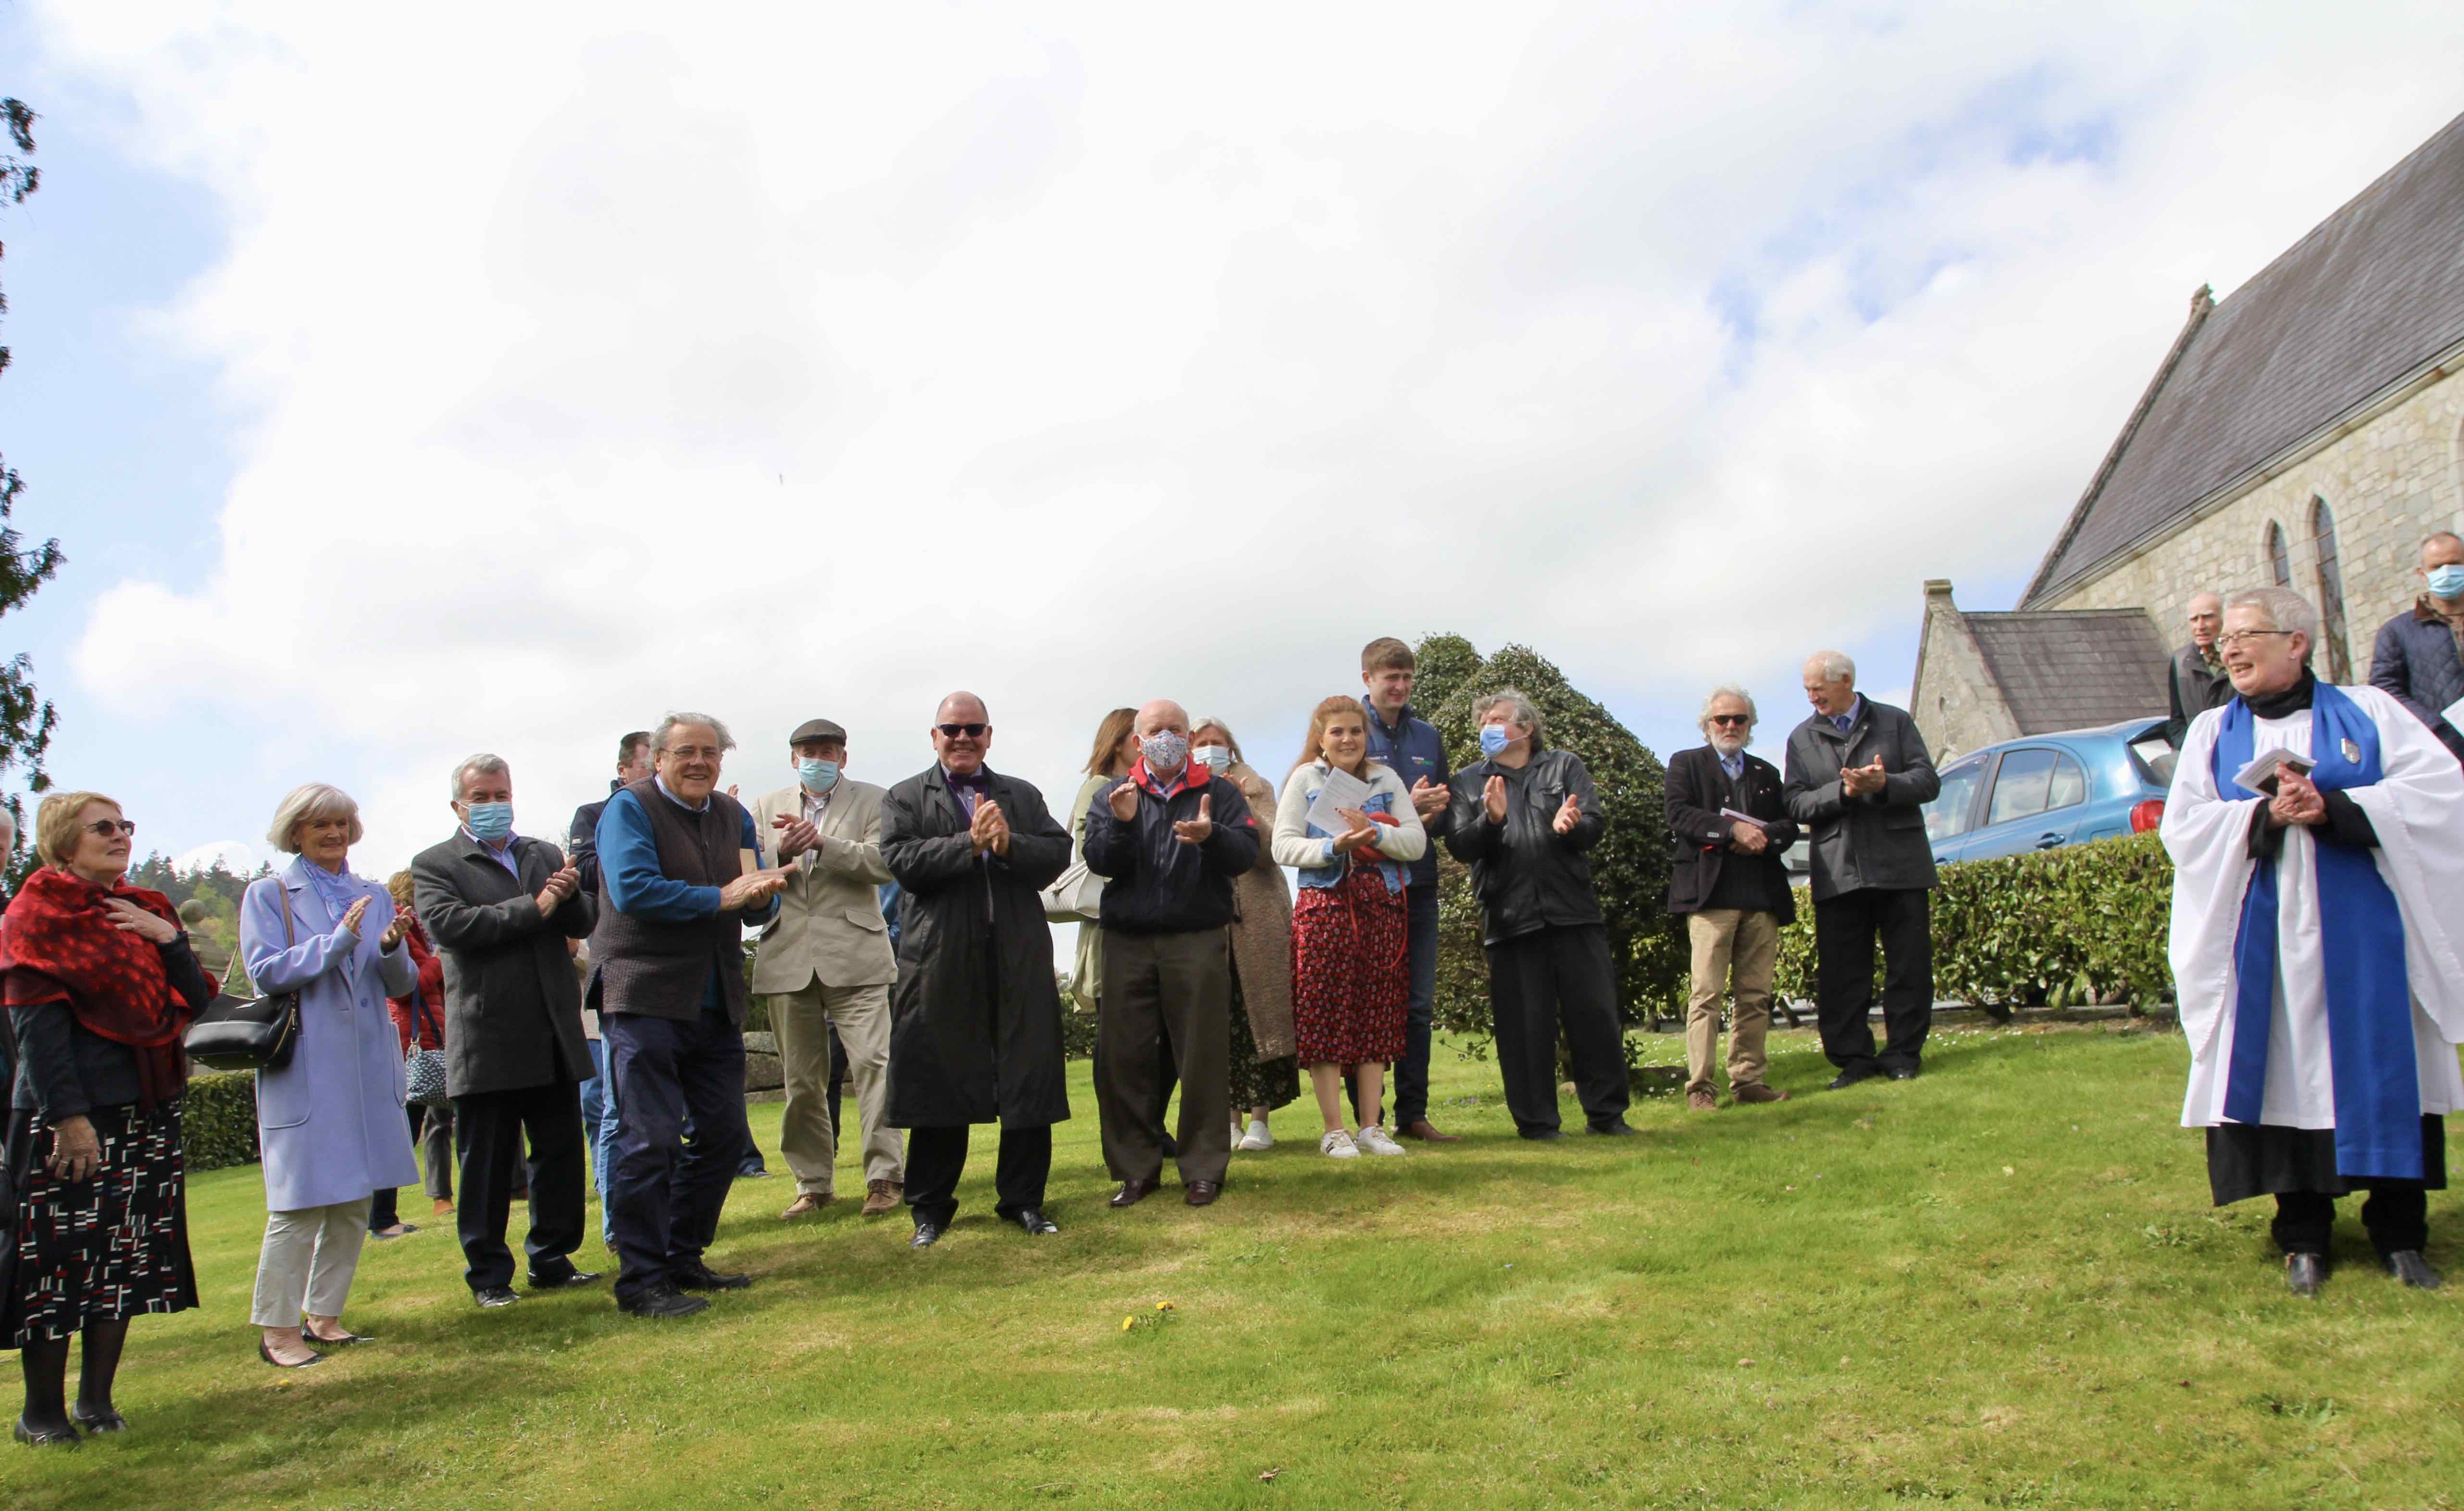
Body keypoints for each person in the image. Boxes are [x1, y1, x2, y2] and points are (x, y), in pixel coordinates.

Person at [2163, 586, 2464, 1296]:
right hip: (2265, 933)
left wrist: (2337, 807)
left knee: (2386, 1062)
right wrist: (2261, 816)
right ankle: (2302, 1236)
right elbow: (2185, 828)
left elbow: (2439, 793)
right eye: (2223, 642)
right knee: (2281, 1074)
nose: (2228, 650)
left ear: (2295, 642)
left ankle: (2401, 1235)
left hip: (2367, 935)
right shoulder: (2210, 733)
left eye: (2246, 636)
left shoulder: (2372, 712)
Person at [3, 793, 210, 1445]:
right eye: (103, 828)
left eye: (126, 827)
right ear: (65, 842)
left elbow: (198, 998)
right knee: (57, 1263)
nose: (120, 836)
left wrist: (170, 939)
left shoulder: (145, 909)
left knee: (122, 1258)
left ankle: (97, 1403)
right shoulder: (34, 914)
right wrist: (69, 1118)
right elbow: (37, 1028)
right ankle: (41, 1414)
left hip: (143, 1108)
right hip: (67, 1117)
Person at [593, 713, 789, 1318]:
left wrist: (764, 895)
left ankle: (682, 1255)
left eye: (710, 752)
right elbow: (632, 889)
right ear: (658, 759)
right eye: (685, 752)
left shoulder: (735, 817)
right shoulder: (629, 810)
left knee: (725, 1135)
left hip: (715, 998)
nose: (699, 762)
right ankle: (641, 1282)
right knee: (648, 1141)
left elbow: (755, 894)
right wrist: (721, 898)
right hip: (644, 996)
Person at [879, 692, 1074, 1246]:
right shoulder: (905, 797)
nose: (962, 738)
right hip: (939, 959)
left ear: (989, 735)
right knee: (940, 1076)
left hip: (1016, 955)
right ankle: (930, 1208)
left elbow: (1057, 853)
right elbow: (902, 862)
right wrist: (969, 843)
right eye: (951, 729)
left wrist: (1008, 842)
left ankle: (1023, 1201)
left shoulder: (1019, 794)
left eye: (973, 729)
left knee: (1026, 1075)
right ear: (934, 735)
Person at [239, 783, 422, 1367]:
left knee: (352, 1201)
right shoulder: (269, 894)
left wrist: (392, 949)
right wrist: (339, 940)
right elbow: (267, 972)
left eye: (343, 822)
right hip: (307, 1066)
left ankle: (325, 1316)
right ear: (295, 831)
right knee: (298, 1205)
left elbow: (401, 985)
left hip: (368, 1063)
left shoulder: (374, 895)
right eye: (320, 824)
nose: (334, 833)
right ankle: (277, 1331)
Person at [411, 755, 601, 1309]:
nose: (494, 805)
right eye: (482, 796)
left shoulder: (541, 853)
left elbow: (583, 919)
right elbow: (453, 928)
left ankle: (553, 1258)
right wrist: (537, 905)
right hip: (487, 1033)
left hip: (552, 1027)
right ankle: (489, 1275)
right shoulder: (436, 863)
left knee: (560, 1155)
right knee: (487, 1164)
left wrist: (567, 898)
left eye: (502, 794)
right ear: (458, 805)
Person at [1084, 699, 1263, 1208]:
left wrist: (1211, 837)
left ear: (1188, 737)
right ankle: (1135, 1171)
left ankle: (1203, 1170)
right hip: (1127, 942)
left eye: (1176, 729)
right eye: (1156, 730)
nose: (1167, 736)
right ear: (1137, 743)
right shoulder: (1113, 796)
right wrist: (1121, 824)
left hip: (1197, 937)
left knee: (1201, 1055)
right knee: (1125, 1058)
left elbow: (1246, 855)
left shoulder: (1219, 794)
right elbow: (1099, 861)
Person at [1442, 690, 1634, 1139]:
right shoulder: (1468, 782)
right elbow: (1458, 845)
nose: (1487, 727)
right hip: (1510, 916)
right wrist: (1490, 822)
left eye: (1497, 719)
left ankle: (1607, 1116)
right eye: (1483, 721)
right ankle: (1537, 1123)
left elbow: (1594, 825)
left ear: (1526, 728)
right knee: (1524, 1025)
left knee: (1595, 1016)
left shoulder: (1564, 767)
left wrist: (1573, 826)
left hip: (1574, 911)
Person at [747, 718, 905, 1220]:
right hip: (786, 956)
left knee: (874, 1066)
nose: (818, 759)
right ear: (793, 758)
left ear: (843, 756)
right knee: (801, 1080)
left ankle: (884, 1178)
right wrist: (780, 852)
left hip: (856, 952)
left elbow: (885, 863)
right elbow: (747, 870)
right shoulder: (763, 807)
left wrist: (821, 844)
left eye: (827, 750)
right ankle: (812, 1184)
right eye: (808, 751)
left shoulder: (876, 800)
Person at [1272, 698, 1428, 1159]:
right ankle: (1334, 1130)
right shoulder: (1305, 779)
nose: (1348, 740)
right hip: (1326, 906)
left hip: (1381, 905)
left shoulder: (1386, 779)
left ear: (1367, 736)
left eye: (1356, 731)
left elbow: (1416, 842)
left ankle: (1371, 1128)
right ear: (1320, 738)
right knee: (1325, 1012)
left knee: (1377, 1011)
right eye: (1337, 732)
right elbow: (1282, 845)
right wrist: (1334, 846)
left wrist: (1376, 833)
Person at [1781, 652, 1941, 1089]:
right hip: (1839, 870)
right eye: (1808, 690)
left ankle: (1904, 1054)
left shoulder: (1895, 722)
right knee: (1842, 973)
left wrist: (1886, 784)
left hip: (1901, 865)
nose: (1813, 698)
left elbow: (1928, 781)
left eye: (1820, 688)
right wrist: (1844, 791)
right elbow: (1794, 803)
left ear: (1846, 681)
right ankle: (1853, 1060)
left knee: (1908, 966)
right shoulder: (1801, 738)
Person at [1665, 686, 1801, 1110]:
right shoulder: (1686, 764)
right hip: (1710, 898)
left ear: (1750, 725)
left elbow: (1788, 824)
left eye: (1739, 719)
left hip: (1761, 896)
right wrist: (1731, 831)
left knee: (1755, 994)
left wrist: (1762, 836)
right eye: (1721, 719)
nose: (1730, 726)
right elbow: (1679, 814)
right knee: (1706, 994)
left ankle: (1748, 1081)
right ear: (1707, 725)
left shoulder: (1764, 773)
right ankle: (1701, 1088)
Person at [1358, 637, 1460, 1141]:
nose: (1398, 687)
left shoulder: (1428, 737)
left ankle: (1412, 1114)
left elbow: (1436, 824)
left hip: (1417, 883)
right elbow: (1337, 813)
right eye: (1388, 678)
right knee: (1368, 1000)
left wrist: (1433, 813)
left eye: (1405, 677)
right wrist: (1405, 812)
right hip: (1364, 886)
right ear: (1367, 681)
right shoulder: (1346, 732)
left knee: (1417, 1005)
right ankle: (1365, 1120)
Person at [1190, 718, 1299, 1151]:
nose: (1211, 751)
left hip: (1259, 918)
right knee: (1220, 1019)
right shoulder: (1185, 788)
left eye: (1219, 744)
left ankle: (1260, 1121)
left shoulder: (1257, 785)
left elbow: (1272, 849)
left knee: (1262, 1015)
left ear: (1231, 750)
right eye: (1202, 744)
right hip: (1207, 917)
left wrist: (1242, 801)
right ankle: (1227, 1121)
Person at [379, 870, 455, 1223]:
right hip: (414, 1037)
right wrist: (443, 959)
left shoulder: (416, 930)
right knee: (402, 1130)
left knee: (408, 1127)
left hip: (427, 1032)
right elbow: (406, 984)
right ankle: (382, 1216)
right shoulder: (402, 928)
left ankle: (384, 1215)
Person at [2367, 531, 2464, 768]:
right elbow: (2386, 693)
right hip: (2440, 755)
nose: (2447, 572)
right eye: (2438, 566)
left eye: (2455, 564)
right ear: (2423, 574)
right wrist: (2438, 729)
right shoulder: (2397, 632)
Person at [2168, 591, 2233, 730]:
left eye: (2208, 617)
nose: (2200, 626)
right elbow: (2176, 719)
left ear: (2224, 619)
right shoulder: (2180, 663)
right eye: (2194, 619)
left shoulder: (2239, 657)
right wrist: (2187, 744)